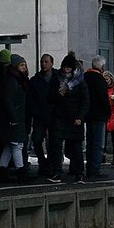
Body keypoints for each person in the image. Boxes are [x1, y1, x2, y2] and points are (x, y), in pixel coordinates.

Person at [47, 52, 89, 183]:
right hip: (59, 117)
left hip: (75, 118)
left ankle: (80, 173)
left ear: (73, 68)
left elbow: (85, 101)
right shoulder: (56, 79)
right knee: (56, 146)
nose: (66, 70)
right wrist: (58, 94)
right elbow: (49, 98)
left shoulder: (80, 81)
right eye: (64, 67)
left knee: (76, 148)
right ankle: (57, 172)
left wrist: (80, 117)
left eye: (68, 68)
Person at [0, 54, 30, 182]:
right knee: (17, 145)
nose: (24, 67)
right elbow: (8, 100)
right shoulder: (12, 80)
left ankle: (1, 172)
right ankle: (21, 172)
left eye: (24, 65)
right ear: (15, 66)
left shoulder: (11, 79)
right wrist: (14, 118)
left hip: (12, 118)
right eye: (22, 65)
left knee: (9, 146)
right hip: (14, 118)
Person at [28, 54, 56, 177]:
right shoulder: (35, 80)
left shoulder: (57, 78)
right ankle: (42, 162)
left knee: (53, 142)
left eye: (46, 61)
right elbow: (31, 98)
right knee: (37, 140)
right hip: (39, 115)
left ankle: (50, 165)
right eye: (42, 62)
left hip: (54, 115)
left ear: (51, 63)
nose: (43, 64)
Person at [83, 56, 111, 179]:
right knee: (98, 144)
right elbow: (104, 99)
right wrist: (108, 112)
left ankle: (89, 167)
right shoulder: (99, 79)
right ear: (102, 67)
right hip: (99, 115)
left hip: (88, 115)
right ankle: (95, 169)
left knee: (90, 142)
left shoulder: (85, 77)